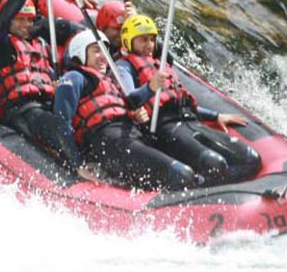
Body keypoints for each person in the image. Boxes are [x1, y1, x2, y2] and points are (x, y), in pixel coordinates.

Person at [116, 14, 262, 183]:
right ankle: (197, 184)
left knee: (252, 159)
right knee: (215, 164)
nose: (149, 45)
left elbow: (181, 101)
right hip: (166, 128)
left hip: (191, 122)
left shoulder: (161, 64)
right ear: (128, 41)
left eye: (151, 39)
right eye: (142, 40)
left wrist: (215, 116)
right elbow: (130, 100)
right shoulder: (124, 66)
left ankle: (209, 184)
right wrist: (150, 87)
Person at [54, 29, 203, 191]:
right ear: (80, 54)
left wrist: (137, 112)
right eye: (97, 51)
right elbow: (62, 123)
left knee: (198, 172)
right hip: (107, 143)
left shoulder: (109, 82)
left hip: (130, 136)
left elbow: (128, 103)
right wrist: (78, 165)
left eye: (105, 51)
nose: (104, 56)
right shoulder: (74, 78)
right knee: (182, 174)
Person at [0, 0, 83, 168]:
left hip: (46, 107)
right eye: (21, 19)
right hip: (21, 112)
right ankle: (80, 169)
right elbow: (3, 16)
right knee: (57, 127)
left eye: (30, 20)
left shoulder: (39, 45)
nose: (27, 25)